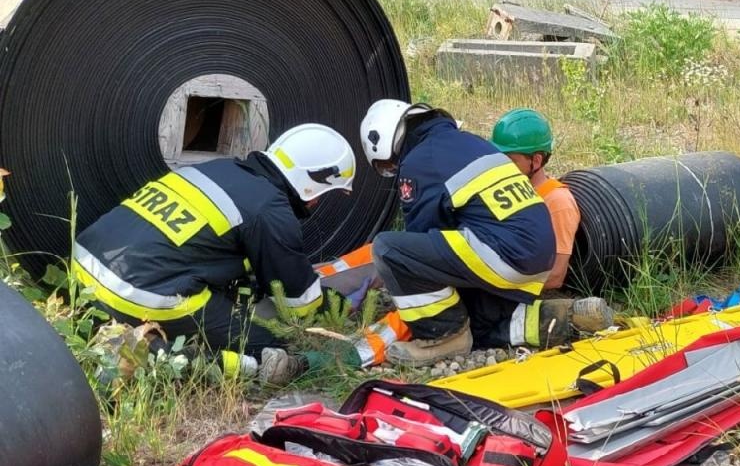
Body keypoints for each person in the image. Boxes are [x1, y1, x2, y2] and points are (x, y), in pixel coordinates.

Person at [70, 124, 356, 383]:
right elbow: (298, 302)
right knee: (266, 345)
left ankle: (106, 335)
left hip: (84, 270)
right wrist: (338, 305)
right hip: (140, 294)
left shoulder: (218, 169)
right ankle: (159, 356)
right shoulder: (271, 210)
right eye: (324, 195)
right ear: (313, 184)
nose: (318, 203)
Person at [358, 99, 604, 366]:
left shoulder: (418, 161)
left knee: (388, 248)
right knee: (473, 319)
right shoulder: (471, 144)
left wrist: (409, 293)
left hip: (502, 252)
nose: (394, 169)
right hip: (534, 260)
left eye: (388, 165)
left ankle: (443, 337)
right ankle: (557, 317)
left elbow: (420, 237)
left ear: (385, 144)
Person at [490, 108, 582, 290]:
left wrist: (496, 288)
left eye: (510, 161)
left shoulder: (558, 202)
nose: (501, 167)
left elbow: (555, 276)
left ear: (537, 160)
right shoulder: (505, 189)